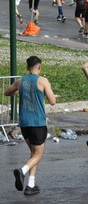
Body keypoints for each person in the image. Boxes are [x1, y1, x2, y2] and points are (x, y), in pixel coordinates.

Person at [6, 56, 56, 195]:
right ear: (39, 67)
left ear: (27, 67)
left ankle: (31, 185)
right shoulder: (43, 81)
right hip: (38, 123)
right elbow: (52, 101)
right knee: (38, 155)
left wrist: (18, 90)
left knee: (34, 154)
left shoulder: (20, 81)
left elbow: (7, 92)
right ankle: (22, 171)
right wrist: (50, 94)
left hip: (24, 124)